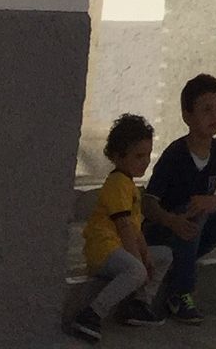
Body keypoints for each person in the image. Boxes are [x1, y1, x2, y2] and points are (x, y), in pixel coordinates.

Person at [143, 74, 216, 324]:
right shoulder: (175, 154)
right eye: (206, 109)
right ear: (187, 116)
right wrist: (171, 220)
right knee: (195, 207)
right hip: (165, 234)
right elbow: (148, 202)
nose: (214, 116)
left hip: (196, 233)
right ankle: (179, 293)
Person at [72, 113, 171, 338]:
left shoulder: (130, 185)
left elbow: (136, 229)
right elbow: (124, 226)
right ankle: (92, 313)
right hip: (104, 251)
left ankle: (139, 304)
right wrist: (139, 262)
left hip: (119, 250)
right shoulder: (117, 183)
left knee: (164, 255)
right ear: (118, 156)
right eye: (138, 156)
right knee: (137, 270)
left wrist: (145, 254)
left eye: (147, 155)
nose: (145, 161)